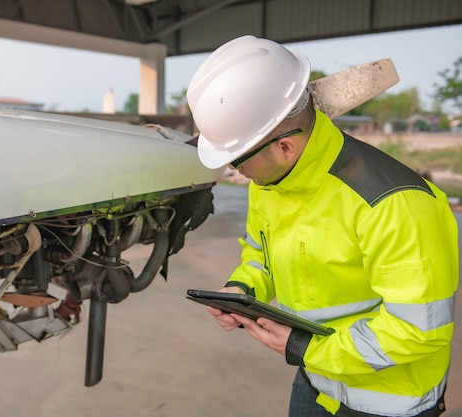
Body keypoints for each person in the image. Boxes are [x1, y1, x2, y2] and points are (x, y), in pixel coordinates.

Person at [186, 35, 459, 417]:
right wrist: (242, 288)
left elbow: (418, 331)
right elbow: (261, 253)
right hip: (317, 383)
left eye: (237, 160)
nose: (235, 171)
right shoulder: (271, 183)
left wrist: (304, 348)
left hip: (387, 404)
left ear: (284, 147)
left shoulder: (395, 203)